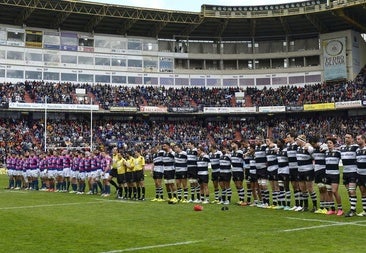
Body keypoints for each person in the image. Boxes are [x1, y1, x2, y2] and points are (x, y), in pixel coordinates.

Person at [295, 134, 317, 212]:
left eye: (297, 140)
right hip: (300, 171)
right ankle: (306, 206)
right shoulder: (298, 148)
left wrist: (309, 147)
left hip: (308, 171)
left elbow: (315, 156)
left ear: (301, 140)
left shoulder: (308, 148)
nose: (296, 141)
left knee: (310, 189)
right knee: (303, 189)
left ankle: (315, 206)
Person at [340, 134, 359, 217]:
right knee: (349, 192)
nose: (346, 139)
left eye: (348, 137)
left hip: (353, 172)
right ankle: (353, 208)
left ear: (352, 139)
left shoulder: (355, 147)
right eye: (345, 137)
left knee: (352, 191)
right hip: (345, 172)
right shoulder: (342, 148)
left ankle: (352, 210)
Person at [324, 136, 343, 216]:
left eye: (330, 143)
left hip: (335, 174)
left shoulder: (338, 153)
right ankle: (332, 209)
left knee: (334, 191)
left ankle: (340, 209)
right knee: (329, 192)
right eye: (327, 143)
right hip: (327, 174)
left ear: (334, 144)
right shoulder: (325, 153)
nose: (328, 144)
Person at [309, 136, 328, 214]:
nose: (312, 145)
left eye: (313, 144)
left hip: (323, 170)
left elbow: (327, 147)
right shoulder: (314, 150)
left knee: (324, 189)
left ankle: (326, 207)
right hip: (317, 170)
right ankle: (322, 207)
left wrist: (322, 146)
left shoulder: (323, 147)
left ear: (316, 142)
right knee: (320, 188)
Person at [286, 132, 301, 211]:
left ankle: (300, 204)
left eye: (288, 137)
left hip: (296, 168)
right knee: (294, 186)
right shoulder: (288, 146)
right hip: (290, 168)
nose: (287, 138)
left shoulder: (296, 146)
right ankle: (296, 204)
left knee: (298, 186)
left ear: (292, 138)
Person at [265, 137, 281, 209]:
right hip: (269, 169)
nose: (266, 142)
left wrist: (274, 146)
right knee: (272, 187)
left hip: (275, 168)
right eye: (266, 141)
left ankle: (278, 202)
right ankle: (274, 202)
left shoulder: (275, 146)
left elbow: (278, 150)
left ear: (271, 141)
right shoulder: (266, 149)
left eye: (268, 141)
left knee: (276, 186)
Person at [276, 138, 291, 210]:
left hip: (285, 170)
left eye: (279, 143)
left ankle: (288, 204)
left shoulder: (287, 150)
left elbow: (290, 160)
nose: (277, 144)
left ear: (283, 143)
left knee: (286, 187)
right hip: (279, 170)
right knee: (281, 187)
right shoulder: (278, 150)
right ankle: (283, 204)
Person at [254, 136, 269, 208]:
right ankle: (264, 201)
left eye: (257, 140)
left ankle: (267, 202)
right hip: (258, 169)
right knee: (260, 186)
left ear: (261, 141)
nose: (255, 142)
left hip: (263, 169)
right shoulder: (256, 148)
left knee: (264, 185)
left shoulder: (264, 147)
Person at [355, 134, 366, 216]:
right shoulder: (357, 150)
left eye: (359, 139)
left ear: (363, 139)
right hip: (359, 174)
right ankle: (365, 210)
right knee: (363, 193)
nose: (357, 140)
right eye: (356, 139)